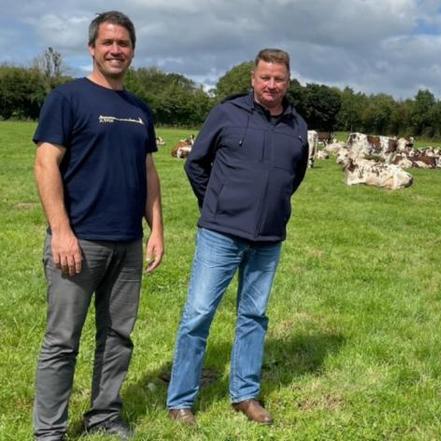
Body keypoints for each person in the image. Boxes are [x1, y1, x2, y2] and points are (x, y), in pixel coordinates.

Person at [32, 10, 163, 441]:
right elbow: (45, 162)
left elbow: (147, 171)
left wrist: (156, 229)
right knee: (61, 341)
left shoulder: (140, 110)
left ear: (132, 51)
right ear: (92, 48)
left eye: (123, 44)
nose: (115, 50)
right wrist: (62, 231)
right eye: (107, 42)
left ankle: (105, 415)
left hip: (126, 244)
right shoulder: (67, 98)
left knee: (118, 336)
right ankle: (49, 431)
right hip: (79, 242)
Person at [166, 48, 309, 427]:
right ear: (252, 78)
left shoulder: (297, 125)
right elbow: (196, 165)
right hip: (220, 233)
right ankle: (181, 400)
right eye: (265, 78)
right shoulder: (227, 113)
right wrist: (217, 204)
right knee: (198, 314)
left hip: (268, 238)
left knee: (254, 315)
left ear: (288, 81)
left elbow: (293, 178)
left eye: (278, 79)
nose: (271, 85)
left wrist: (271, 207)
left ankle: (244, 394)